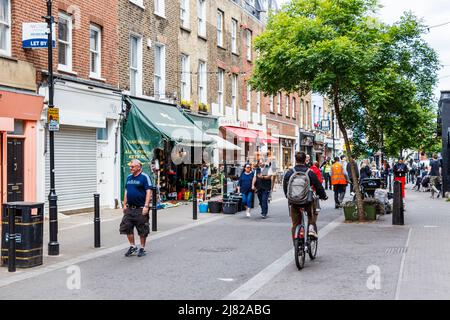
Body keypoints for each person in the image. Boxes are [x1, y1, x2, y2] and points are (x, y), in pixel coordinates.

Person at [283, 152, 328, 240]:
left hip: (293, 201)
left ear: (296, 160)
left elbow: (285, 185)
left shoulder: (290, 172)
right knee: (312, 214)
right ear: (305, 160)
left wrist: (287, 196)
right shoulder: (310, 172)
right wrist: (323, 196)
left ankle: (297, 246)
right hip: (307, 201)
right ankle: (311, 227)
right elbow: (318, 186)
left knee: (295, 224)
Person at [120, 159, 152, 257]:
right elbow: (126, 191)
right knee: (126, 227)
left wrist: (146, 206)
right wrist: (124, 204)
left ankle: (142, 248)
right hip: (130, 208)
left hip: (141, 208)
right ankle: (133, 246)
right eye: (130, 166)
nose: (131, 168)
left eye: (132, 166)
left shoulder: (144, 177)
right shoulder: (129, 177)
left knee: (142, 229)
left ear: (139, 167)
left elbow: (148, 191)